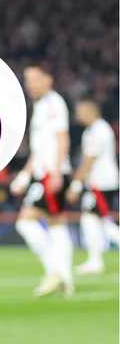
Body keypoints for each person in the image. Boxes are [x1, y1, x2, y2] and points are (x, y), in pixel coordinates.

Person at [10, 65, 73, 297]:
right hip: (44, 173)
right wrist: (25, 175)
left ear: (49, 79)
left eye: (35, 79)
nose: (30, 85)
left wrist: (56, 172)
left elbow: (62, 138)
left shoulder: (54, 104)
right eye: (27, 80)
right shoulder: (41, 105)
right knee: (57, 223)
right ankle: (65, 277)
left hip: (50, 175)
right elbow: (39, 149)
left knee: (25, 222)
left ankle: (53, 271)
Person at [67, 99, 119, 274]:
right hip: (101, 182)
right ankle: (94, 261)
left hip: (101, 183)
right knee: (95, 220)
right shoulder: (95, 129)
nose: (78, 115)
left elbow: (89, 160)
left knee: (96, 220)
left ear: (91, 111)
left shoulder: (98, 130)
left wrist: (75, 185)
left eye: (81, 111)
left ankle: (95, 261)